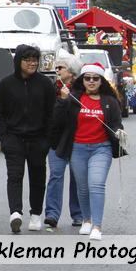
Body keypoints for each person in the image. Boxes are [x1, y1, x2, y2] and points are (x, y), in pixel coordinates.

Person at [51, 63, 126, 241]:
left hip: (102, 148)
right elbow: (57, 121)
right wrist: (62, 100)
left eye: (95, 78)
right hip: (77, 148)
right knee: (82, 188)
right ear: (82, 80)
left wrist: (120, 133)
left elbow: (116, 124)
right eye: (87, 78)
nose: (91, 81)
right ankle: (86, 219)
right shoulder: (73, 97)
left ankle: (97, 226)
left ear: (101, 81)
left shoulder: (110, 101)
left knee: (97, 184)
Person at [0, 44, 56, 234]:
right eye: (27, 60)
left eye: (35, 60)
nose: (32, 63)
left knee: (37, 177)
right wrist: (4, 137)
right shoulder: (6, 84)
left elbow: (51, 113)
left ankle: (36, 214)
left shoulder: (45, 84)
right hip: (13, 139)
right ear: (18, 61)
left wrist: (47, 139)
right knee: (15, 176)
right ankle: (15, 213)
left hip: (38, 140)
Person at [44, 53, 84, 229]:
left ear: (72, 71)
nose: (57, 70)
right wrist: (61, 100)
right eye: (57, 67)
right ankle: (52, 214)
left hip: (76, 140)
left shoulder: (81, 91)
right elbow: (53, 117)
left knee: (77, 178)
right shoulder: (53, 89)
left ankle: (78, 214)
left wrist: (67, 99)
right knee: (56, 176)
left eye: (61, 67)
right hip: (57, 140)